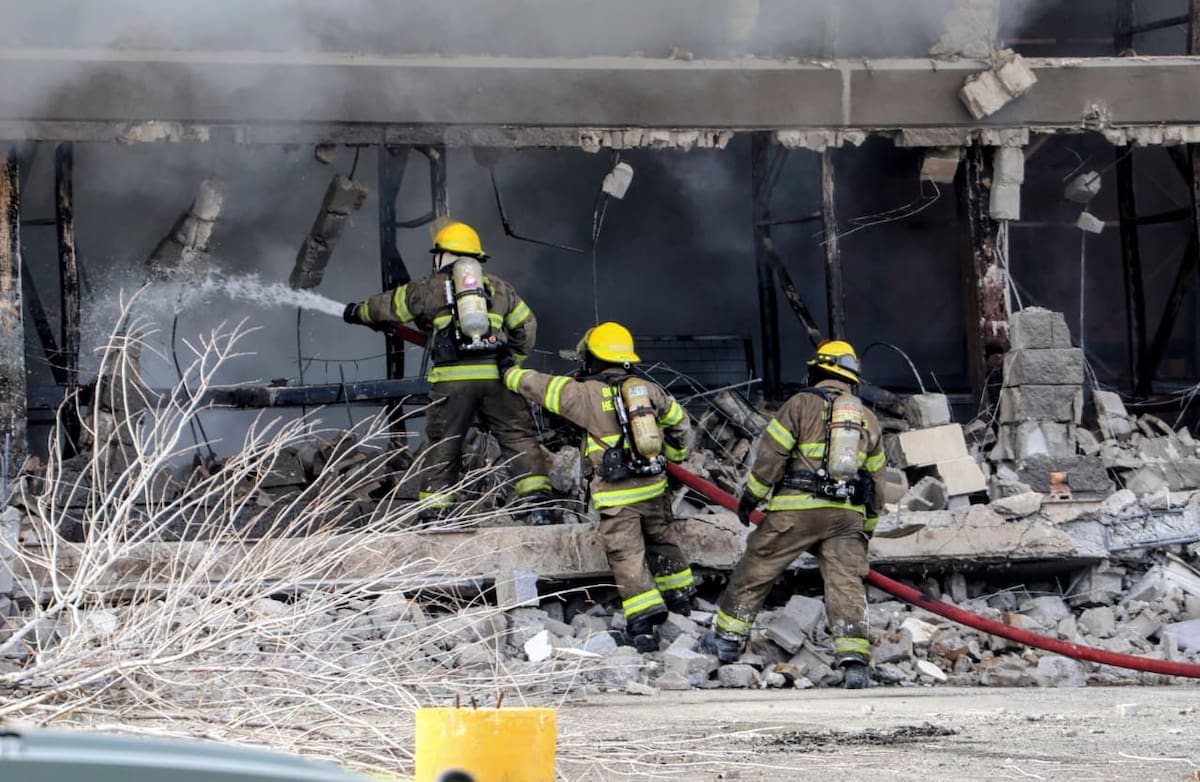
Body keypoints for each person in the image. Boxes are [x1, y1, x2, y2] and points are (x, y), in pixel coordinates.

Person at [700, 340, 886, 689]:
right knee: (846, 584)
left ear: (818, 370)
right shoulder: (868, 417)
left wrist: (751, 497)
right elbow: (876, 479)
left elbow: (772, 454)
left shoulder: (799, 404)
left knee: (756, 567)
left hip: (796, 510)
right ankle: (854, 661)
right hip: (847, 515)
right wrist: (867, 527)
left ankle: (727, 641)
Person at [499, 322, 695, 651]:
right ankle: (682, 602)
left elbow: (539, 386)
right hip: (654, 486)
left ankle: (644, 624)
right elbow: (680, 424)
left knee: (627, 555)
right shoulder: (647, 389)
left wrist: (507, 372)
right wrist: (673, 458)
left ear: (593, 357)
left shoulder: (585, 395)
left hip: (618, 497)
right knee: (663, 541)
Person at [342, 220, 553, 524]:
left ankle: (436, 513)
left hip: (452, 381)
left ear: (443, 255)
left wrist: (356, 312)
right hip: (497, 377)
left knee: (445, 443)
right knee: (518, 437)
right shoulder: (499, 287)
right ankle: (539, 507)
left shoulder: (426, 288)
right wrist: (513, 360)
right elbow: (526, 326)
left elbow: (387, 307)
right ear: (476, 257)